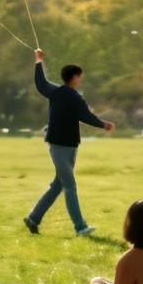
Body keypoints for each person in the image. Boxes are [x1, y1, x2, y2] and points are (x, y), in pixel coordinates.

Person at [23, 48, 114, 237]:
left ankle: (33, 218)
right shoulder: (75, 97)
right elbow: (86, 116)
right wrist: (104, 125)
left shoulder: (56, 92)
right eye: (80, 77)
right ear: (74, 77)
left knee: (58, 185)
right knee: (70, 186)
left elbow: (40, 83)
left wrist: (38, 61)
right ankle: (80, 227)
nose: (80, 80)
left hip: (63, 146)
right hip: (62, 148)